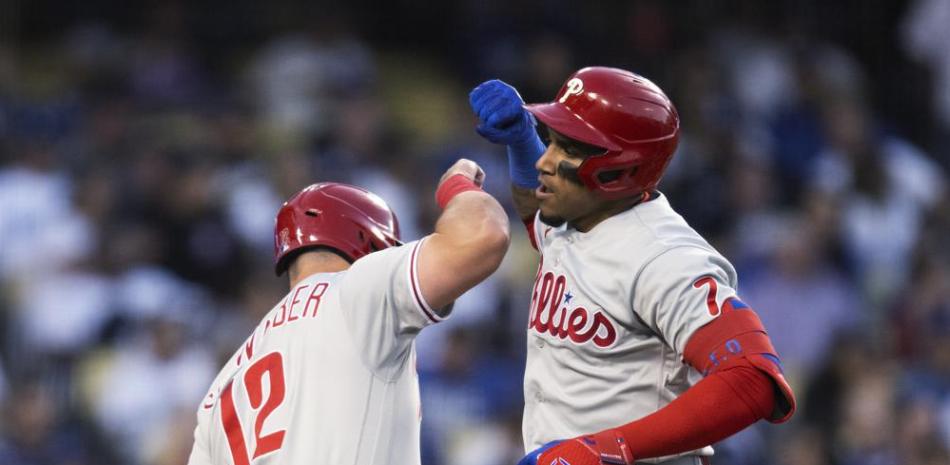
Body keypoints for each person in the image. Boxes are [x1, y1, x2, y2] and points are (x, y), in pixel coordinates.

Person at [469, 67, 796, 465]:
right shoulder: (581, 214)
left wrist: (610, 447)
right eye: (551, 141)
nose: (545, 161)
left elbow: (753, 379)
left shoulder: (664, 257)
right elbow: (536, 217)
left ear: (620, 169)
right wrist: (523, 140)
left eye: (568, 149)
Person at [186, 159, 510, 465]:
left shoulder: (221, 386)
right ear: (371, 244)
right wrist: (457, 185)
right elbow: (484, 235)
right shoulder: (357, 290)